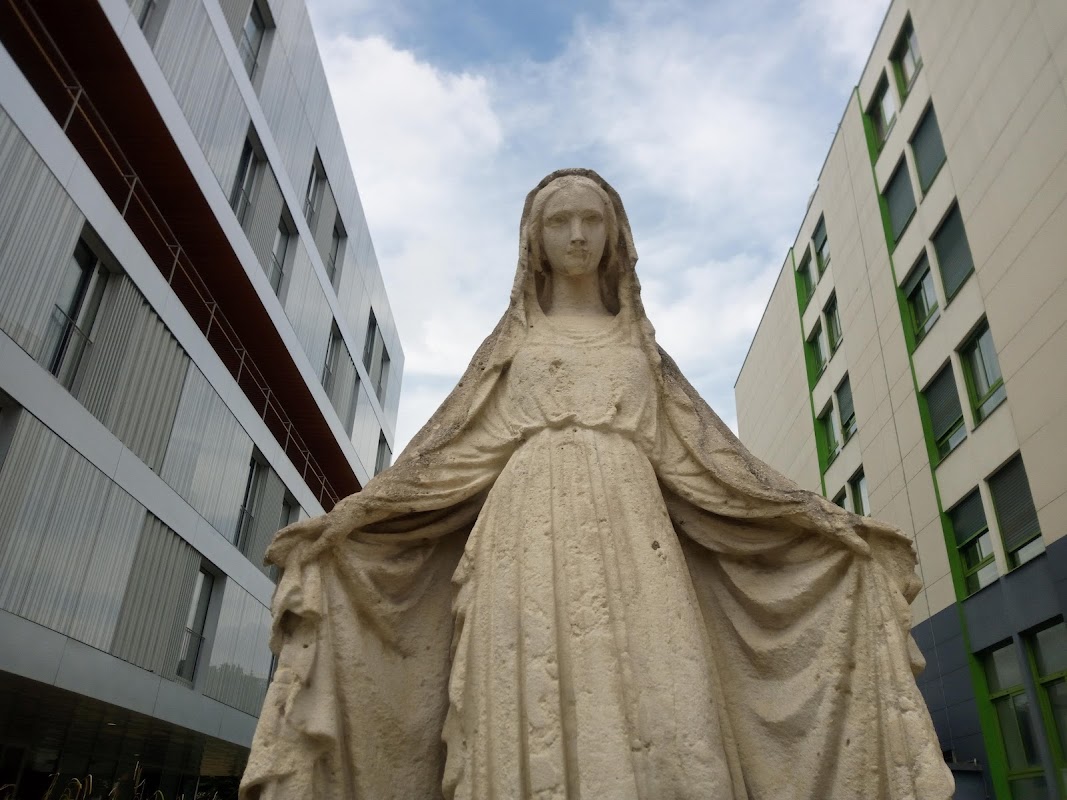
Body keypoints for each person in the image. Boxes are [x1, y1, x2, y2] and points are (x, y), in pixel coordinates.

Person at [240, 168, 953, 799]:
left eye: (591, 220)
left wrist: (817, 522)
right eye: (559, 221)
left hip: (632, 533)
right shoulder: (510, 350)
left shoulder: (641, 353)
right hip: (522, 537)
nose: (576, 235)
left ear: (615, 236)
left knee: (666, 695)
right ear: (534, 238)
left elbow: (708, 468)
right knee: (530, 699)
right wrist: (354, 518)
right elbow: (451, 457)